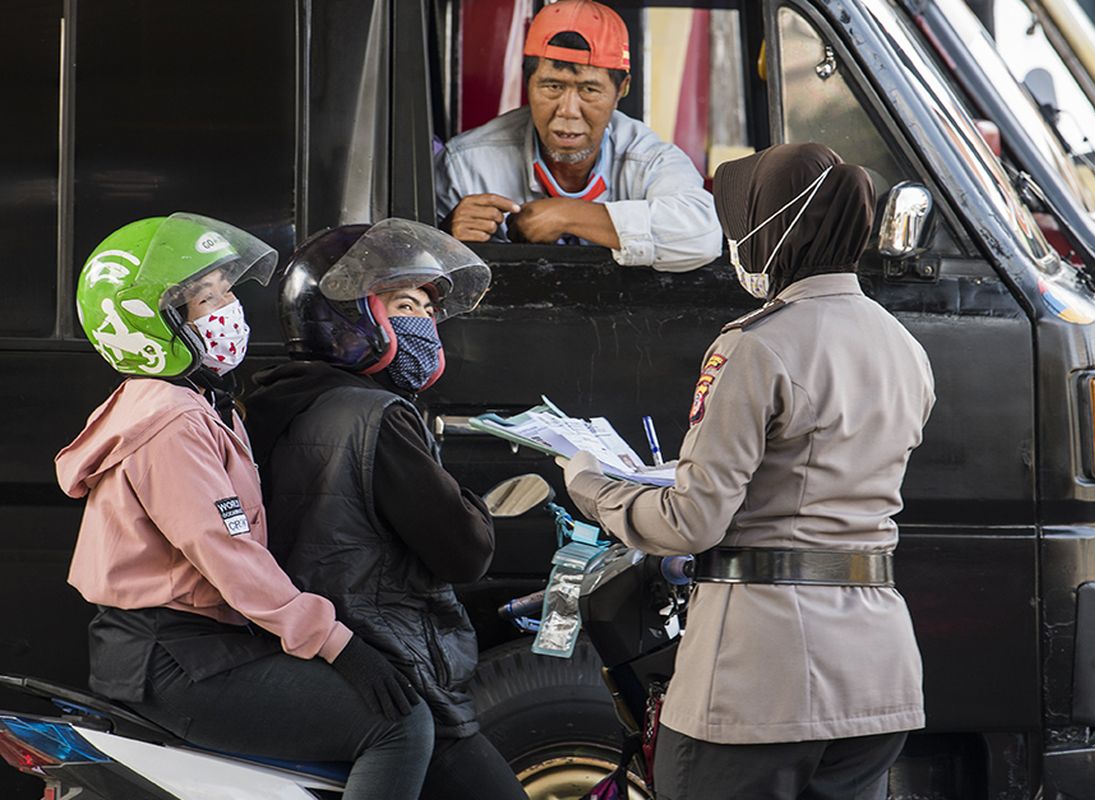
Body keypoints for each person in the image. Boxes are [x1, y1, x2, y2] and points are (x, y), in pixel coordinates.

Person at [557, 144, 937, 800]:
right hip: (878, 675)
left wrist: (591, 485)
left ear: (777, 228)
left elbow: (693, 519)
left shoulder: (756, 344)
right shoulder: (905, 347)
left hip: (760, 681)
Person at [56, 213, 435, 800]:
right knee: (401, 725)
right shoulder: (173, 422)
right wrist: (338, 643)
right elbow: (226, 553)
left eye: (226, 290)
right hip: (177, 659)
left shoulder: (191, 400)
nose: (229, 308)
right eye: (206, 299)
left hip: (180, 647)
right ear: (152, 323)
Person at [243, 218, 528, 800]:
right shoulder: (378, 416)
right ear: (351, 316)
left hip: (308, 661)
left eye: (427, 308)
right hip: (391, 661)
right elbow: (463, 554)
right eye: (405, 304)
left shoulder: (268, 400)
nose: (424, 322)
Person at [435, 0, 721, 273]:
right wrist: (447, 238)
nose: (568, 111)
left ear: (622, 89)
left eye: (589, 90)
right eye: (552, 86)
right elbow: (411, 271)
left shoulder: (647, 159)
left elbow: (702, 235)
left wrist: (567, 215)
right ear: (528, 81)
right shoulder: (466, 164)